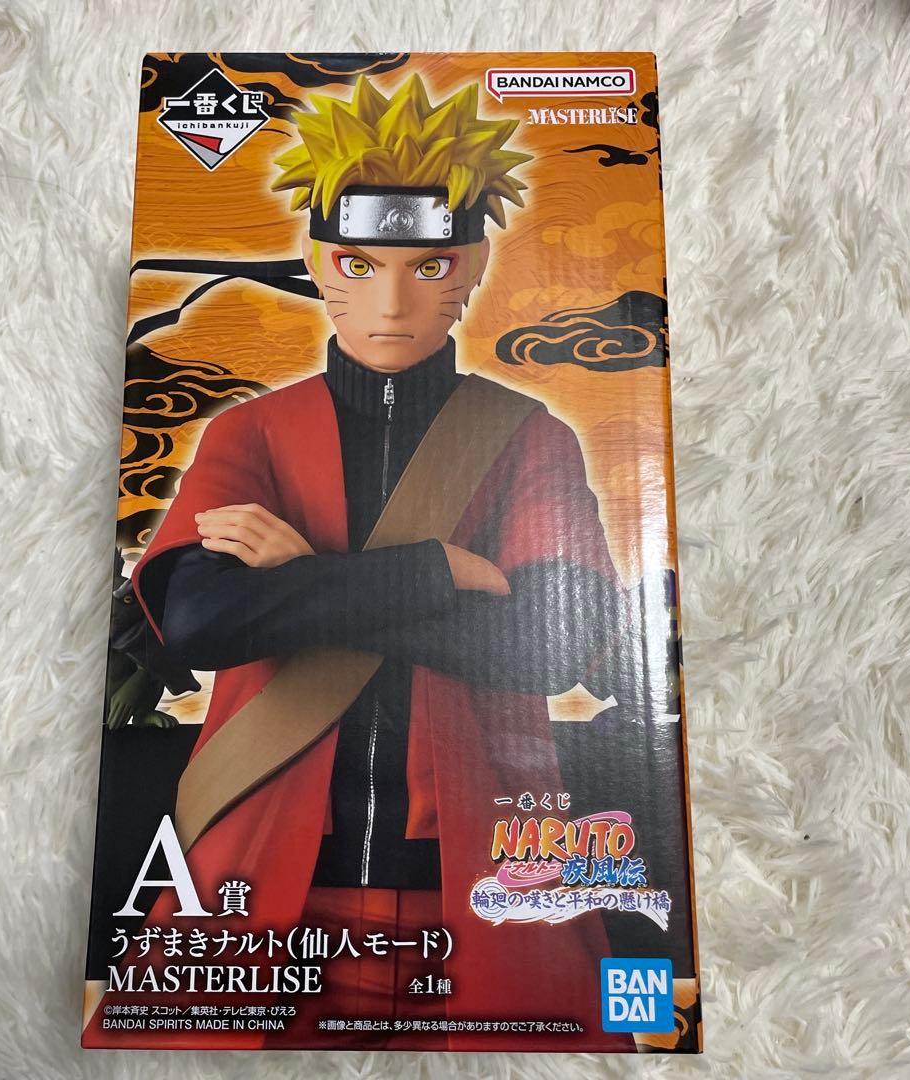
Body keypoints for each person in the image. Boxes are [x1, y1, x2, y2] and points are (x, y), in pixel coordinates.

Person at [107, 73, 632, 1052]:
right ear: (319, 262)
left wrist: (306, 574)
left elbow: (547, 644)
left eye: (429, 266)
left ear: (473, 264)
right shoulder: (252, 433)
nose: (393, 301)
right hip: (255, 867)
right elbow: (199, 622)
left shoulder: (529, 437)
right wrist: (434, 571)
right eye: (359, 262)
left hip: (489, 880)